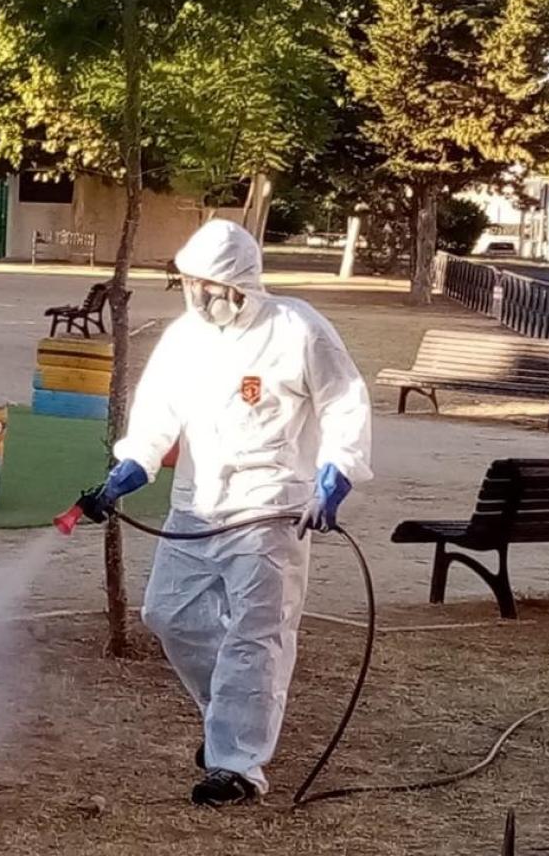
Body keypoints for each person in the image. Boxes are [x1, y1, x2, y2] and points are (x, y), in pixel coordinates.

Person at [80, 219, 372, 806]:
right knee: (169, 615)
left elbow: (346, 404)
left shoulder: (297, 329)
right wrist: (124, 475)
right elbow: (156, 416)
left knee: (256, 637)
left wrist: (334, 478)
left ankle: (238, 767)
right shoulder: (185, 339)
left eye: (209, 285)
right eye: (189, 284)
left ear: (242, 284)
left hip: (270, 512)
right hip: (197, 506)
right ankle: (230, 723)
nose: (198, 297)